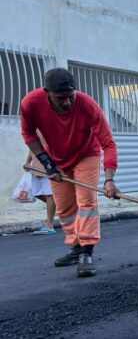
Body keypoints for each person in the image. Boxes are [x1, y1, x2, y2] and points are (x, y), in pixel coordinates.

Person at [21, 68, 119, 277]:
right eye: (60, 98)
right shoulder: (31, 103)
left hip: (86, 154)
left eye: (70, 96)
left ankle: (86, 252)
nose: (67, 102)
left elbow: (108, 143)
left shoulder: (87, 105)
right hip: (56, 159)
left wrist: (109, 180)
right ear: (47, 93)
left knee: (86, 203)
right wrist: (47, 164)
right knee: (65, 208)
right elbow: (28, 135)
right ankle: (75, 248)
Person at [24, 148, 57, 235]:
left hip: (49, 168)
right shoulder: (33, 134)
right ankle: (61, 208)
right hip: (35, 168)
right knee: (36, 193)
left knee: (49, 194)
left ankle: (49, 225)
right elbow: (32, 147)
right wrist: (28, 162)